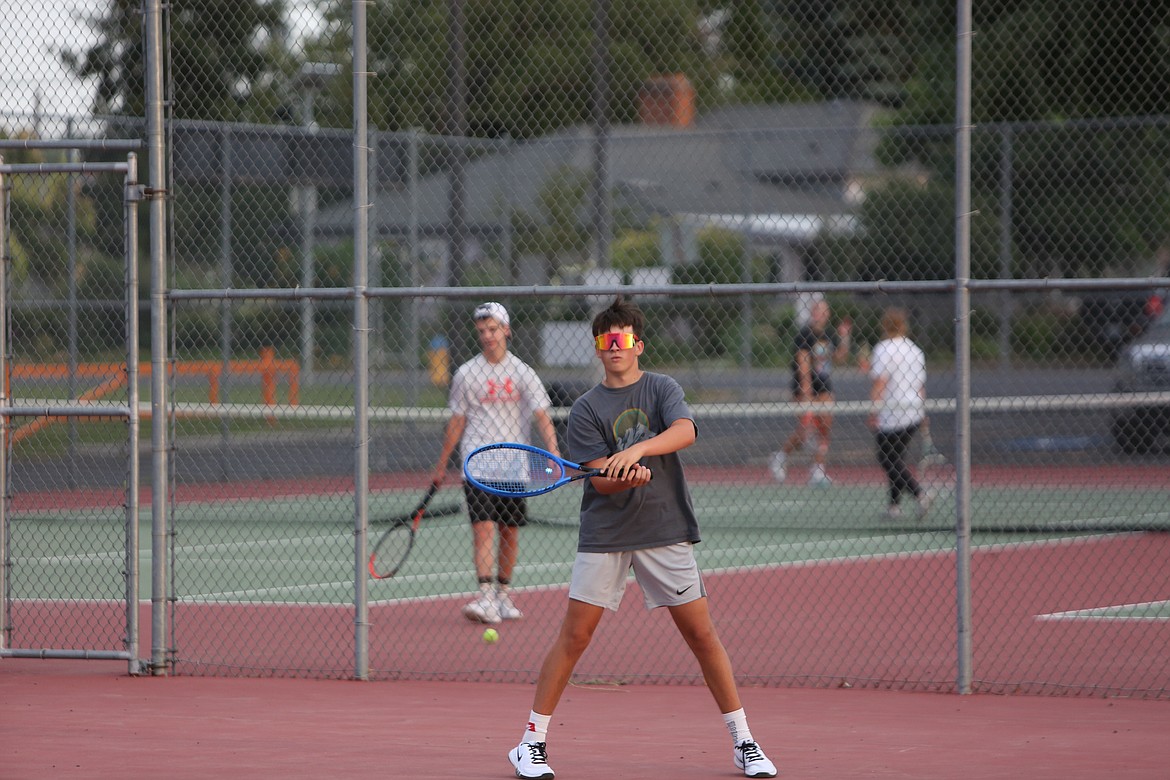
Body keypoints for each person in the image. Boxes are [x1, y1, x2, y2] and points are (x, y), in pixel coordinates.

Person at [508, 297, 777, 780]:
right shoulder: (587, 408)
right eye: (606, 340)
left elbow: (686, 430)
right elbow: (599, 480)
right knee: (575, 636)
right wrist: (623, 478)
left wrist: (641, 449)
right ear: (597, 348)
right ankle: (530, 743)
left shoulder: (661, 388)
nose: (615, 347)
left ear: (638, 344)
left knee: (701, 634)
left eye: (623, 339)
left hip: (664, 528)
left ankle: (744, 742)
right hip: (606, 533)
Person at [432, 302, 560, 624]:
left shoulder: (522, 373)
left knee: (510, 532)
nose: (488, 336)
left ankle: (503, 595)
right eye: (482, 331)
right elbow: (457, 422)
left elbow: (542, 415)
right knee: (483, 528)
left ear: (506, 330)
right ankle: (486, 597)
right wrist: (442, 464)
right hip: (477, 465)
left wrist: (553, 452)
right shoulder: (466, 373)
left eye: (493, 329)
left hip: (514, 466)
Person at [769, 297, 851, 486]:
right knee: (806, 431)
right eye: (816, 311)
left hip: (824, 387)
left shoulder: (829, 334)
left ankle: (818, 470)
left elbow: (839, 358)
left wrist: (845, 336)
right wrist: (806, 394)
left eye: (823, 311)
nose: (819, 315)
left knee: (825, 428)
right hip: (805, 388)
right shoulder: (805, 335)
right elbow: (803, 365)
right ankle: (780, 457)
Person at [867, 307, 931, 520]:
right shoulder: (915, 350)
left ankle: (919, 493)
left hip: (893, 412)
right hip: (912, 409)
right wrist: (922, 412)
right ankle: (894, 506)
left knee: (887, 458)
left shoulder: (883, 349)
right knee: (896, 458)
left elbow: (881, 382)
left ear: (885, 325)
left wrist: (873, 410)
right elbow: (920, 386)